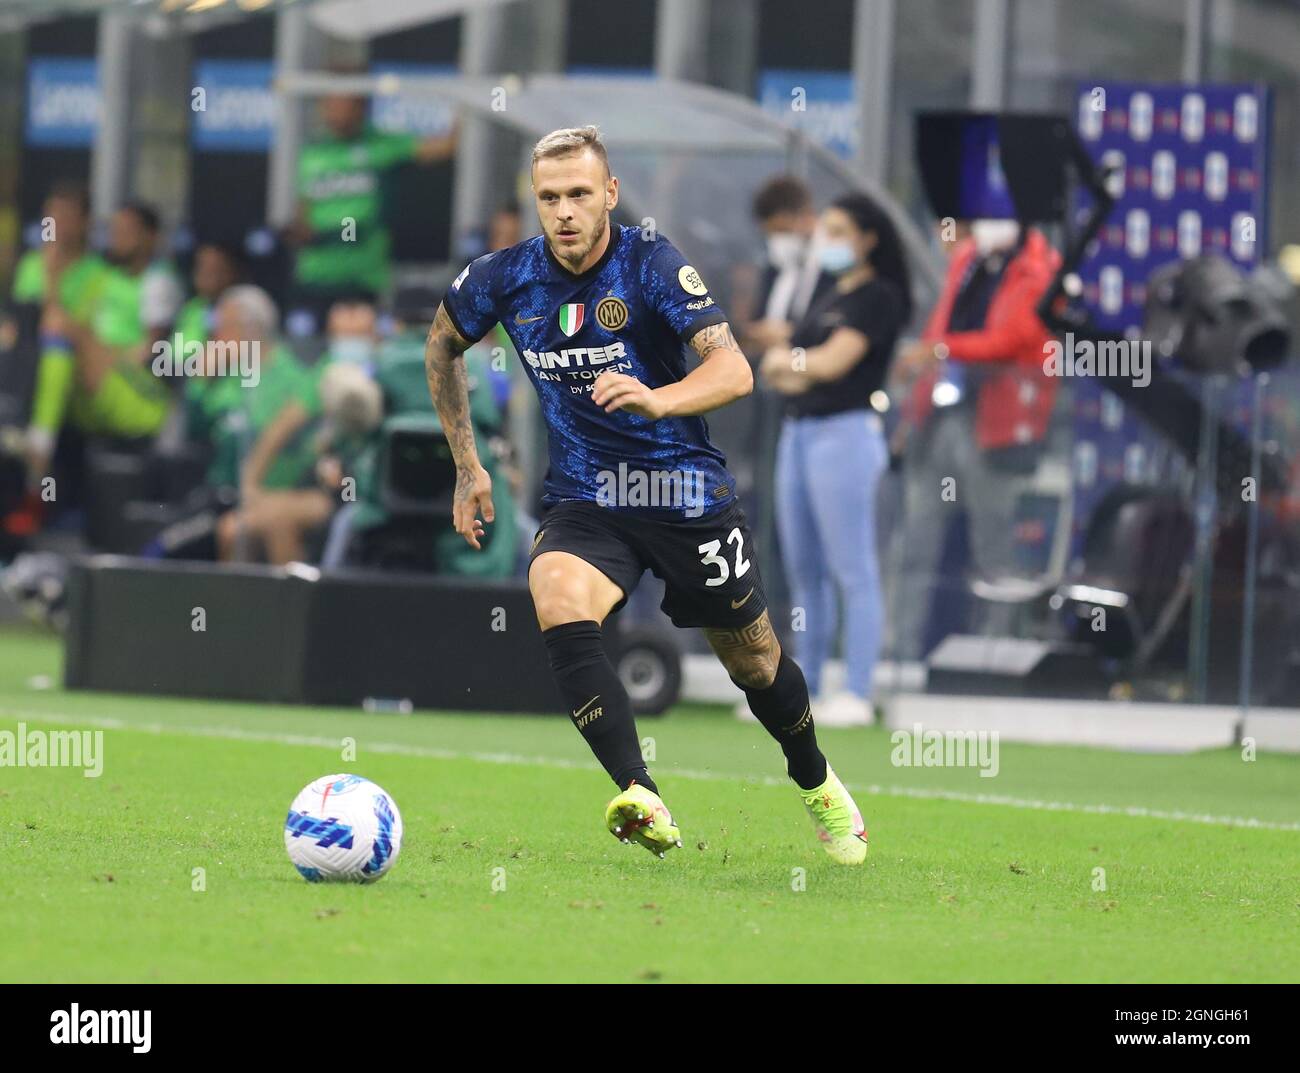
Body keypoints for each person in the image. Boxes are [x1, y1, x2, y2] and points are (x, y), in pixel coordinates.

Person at [427, 125, 869, 865]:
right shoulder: (504, 277)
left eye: (577, 194)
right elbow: (441, 344)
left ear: (609, 195)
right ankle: (640, 791)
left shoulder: (650, 263)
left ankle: (814, 776)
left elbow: (734, 372)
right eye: (548, 197)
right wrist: (467, 464)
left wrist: (660, 400)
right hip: (588, 498)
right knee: (556, 593)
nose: (563, 211)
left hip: (684, 494)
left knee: (754, 663)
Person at [758, 194, 911, 727]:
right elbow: (785, 368)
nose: (829, 240)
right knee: (805, 571)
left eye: (841, 230)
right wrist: (796, 364)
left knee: (853, 567)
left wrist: (793, 361)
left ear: (868, 238)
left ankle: (860, 688)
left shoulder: (878, 297)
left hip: (845, 436)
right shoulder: (827, 290)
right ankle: (809, 686)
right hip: (798, 433)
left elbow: (831, 362)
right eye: (827, 228)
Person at [889, 218, 1061, 661]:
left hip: (997, 422)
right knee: (915, 540)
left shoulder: (1039, 267)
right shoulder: (967, 261)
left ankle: (994, 654)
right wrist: (911, 414)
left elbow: (1017, 337)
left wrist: (945, 349)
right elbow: (938, 328)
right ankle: (900, 653)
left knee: (994, 549)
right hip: (940, 417)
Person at [287, 72, 457, 323]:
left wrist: (463, 95)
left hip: (363, 278)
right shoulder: (311, 152)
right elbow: (303, 214)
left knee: (357, 354)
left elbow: (445, 146)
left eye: (343, 102)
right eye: (330, 102)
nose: (334, 110)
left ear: (360, 106)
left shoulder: (379, 145)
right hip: (316, 276)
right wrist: (301, 233)